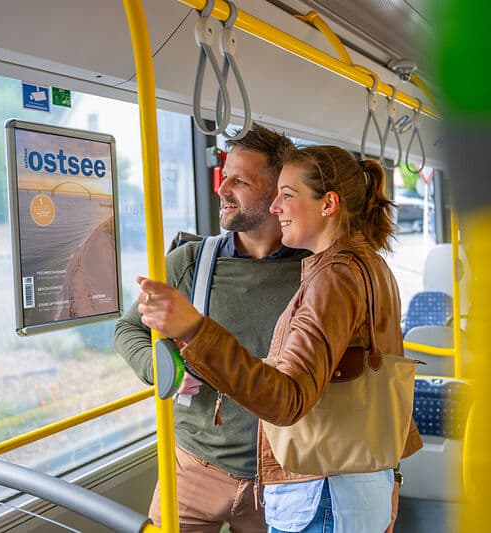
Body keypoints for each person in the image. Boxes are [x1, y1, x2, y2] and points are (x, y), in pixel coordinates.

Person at [136, 145, 422, 533]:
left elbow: (287, 399)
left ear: (328, 204)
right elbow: (388, 388)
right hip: (352, 483)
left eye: (287, 196)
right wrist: (391, 474)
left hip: (322, 492)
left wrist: (195, 330)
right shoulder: (368, 264)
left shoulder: (333, 278)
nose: (276, 208)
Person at [113, 123, 308, 532]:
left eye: (240, 180)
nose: (222, 188)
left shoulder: (313, 272)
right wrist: (161, 369)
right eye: (224, 173)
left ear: (276, 197)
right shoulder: (190, 262)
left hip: (282, 475)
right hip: (194, 468)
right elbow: (128, 330)